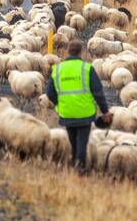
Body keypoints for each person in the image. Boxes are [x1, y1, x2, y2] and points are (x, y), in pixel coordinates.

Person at [44, 39, 110, 172]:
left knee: (73, 141)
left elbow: (49, 92)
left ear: (67, 51)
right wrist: (105, 111)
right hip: (84, 112)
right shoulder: (86, 68)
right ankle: (79, 169)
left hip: (67, 112)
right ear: (81, 52)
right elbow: (98, 91)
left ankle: (74, 165)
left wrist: (59, 103)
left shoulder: (57, 69)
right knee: (82, 142)